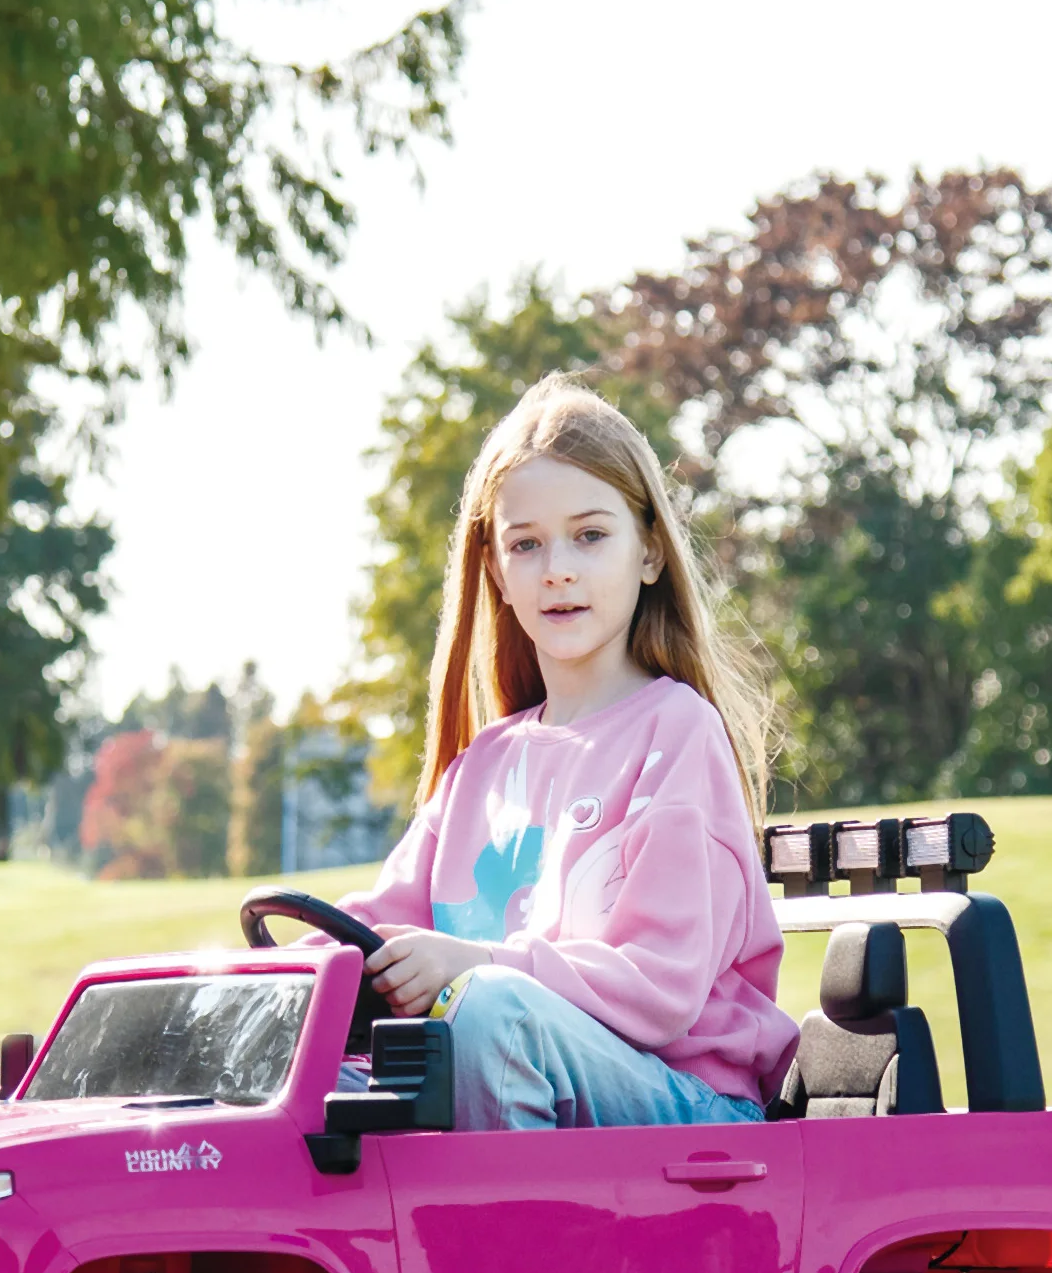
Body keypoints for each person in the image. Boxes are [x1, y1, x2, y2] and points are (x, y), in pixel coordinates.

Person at [335, 373, 801, 1131]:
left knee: (491, 1018)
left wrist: (473, 964)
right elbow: (375, 929)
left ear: (649, 552)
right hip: (530, 1074)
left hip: (690, 1111)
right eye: (527, 544)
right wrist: (277, 966)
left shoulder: (676, 735)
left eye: (590, 535)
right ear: (497, 572)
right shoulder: (482, 768)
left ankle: (514, 1250)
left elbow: (660, 991)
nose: (558, 568)